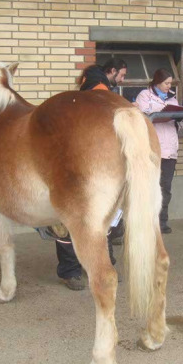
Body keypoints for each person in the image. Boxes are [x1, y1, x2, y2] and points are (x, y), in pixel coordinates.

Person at [51, 58, 127, 291]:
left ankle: (99, 264)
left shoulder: (101, 108)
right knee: (69, 223)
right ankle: (72, 269)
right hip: (74, 173)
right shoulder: (75, 108)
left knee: (100, 219)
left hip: (97, 173)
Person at [135, 68, 183, 234]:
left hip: (169, 149)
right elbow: (142, 118)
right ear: (157, 82)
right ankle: (146, 221)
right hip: (151, 148)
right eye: (166, 83)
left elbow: (181, 125)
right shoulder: (144, 95)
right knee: (148, 187)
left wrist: (179, 118)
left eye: (170, 83)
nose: (169, 86)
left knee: (165, 187)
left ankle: (162, 221)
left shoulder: (173, 99)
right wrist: (159, 115)